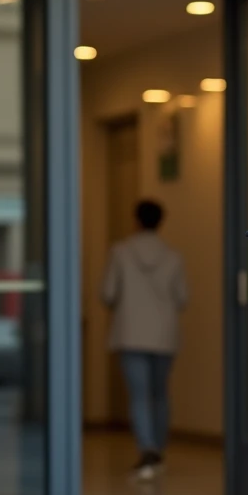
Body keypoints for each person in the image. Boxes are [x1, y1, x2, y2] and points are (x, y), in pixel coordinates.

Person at [101, 200, 188, 480]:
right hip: (164, 335)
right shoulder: (173, 257)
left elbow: (108, 293)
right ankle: (158, 451)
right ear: (160, 222)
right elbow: (183, 298)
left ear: (136, 220)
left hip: (131, 333)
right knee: (160, 393)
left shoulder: (120, 252)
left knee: (139, 395)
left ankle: (147, 449)